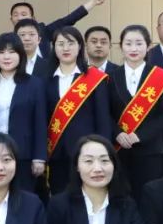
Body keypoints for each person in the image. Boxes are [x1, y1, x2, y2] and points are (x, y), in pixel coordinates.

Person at [106, 25, 163, 198]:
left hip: (150, 149)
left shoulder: (160, 77)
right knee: (120, 196)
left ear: (148, 46)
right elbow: (105, 112)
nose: (134, 49)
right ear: (121, 46)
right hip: (118, 148)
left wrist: (140, 135)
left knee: (148, 197)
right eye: (128, 43)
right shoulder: (111, 77)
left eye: (139, 43)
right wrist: (117, 133)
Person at [44, 28, 112, 193]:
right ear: (54, 47)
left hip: (87, 151)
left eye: (71, 43)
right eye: (60, 44)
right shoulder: (45, 79)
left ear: (80, 46)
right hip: (56, 152)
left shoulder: (94, 78)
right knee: (59, 195)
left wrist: (103, 150)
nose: (65, 48)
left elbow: (103, 119)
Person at [0, 33, 47, 193]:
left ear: (20, 54)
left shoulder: (34, 84)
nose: (6, 57)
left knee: (23, 196)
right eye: (1, 52)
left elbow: (40, 121)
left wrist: (39, 157)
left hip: (24, 153)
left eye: (11, 52)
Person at [9, 0, 106, 57]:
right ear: (11, 19)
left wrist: (92, 3)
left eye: (24, 14)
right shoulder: (7, 40)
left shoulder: (43, 31)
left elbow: (68, 20)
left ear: (33, 18)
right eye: (15, 15)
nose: (19, 18)